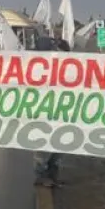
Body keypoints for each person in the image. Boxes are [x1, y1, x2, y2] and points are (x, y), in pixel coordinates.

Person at [34, 38, 70, 187]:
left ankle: (53, 175)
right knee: (43, 147)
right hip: (44, 112)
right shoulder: (39, 67)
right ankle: (41, 176)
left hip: (60, 112)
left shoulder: (65, 67)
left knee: (60, 146)